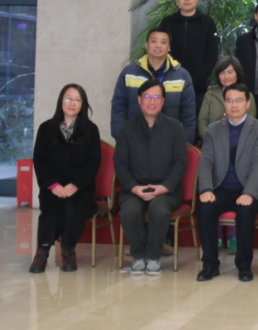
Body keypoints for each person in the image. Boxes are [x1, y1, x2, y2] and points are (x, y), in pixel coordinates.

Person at [195, 84, 258, 282]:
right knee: (205, 208)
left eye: (239, 100)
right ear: (224, 104)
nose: (234, 105)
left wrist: (249, 193)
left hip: (248, 189)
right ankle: (210, 264)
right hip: (221, 188)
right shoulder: (213, 129)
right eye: (229, 100)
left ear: (247, 103)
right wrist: (206, 188)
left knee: (245, 212)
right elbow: (205, 162)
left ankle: (244, 266)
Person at [115, 81, 188, 276]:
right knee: (129, 210)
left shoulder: (175, 127)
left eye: (157, 97)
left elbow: (180, 163)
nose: (152, 101)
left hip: (165, 190)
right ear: (139, 100)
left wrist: (164, 187)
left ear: (163, 101)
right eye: (147, 97)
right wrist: (133, 187)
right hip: (135, 189)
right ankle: (139, 256)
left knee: (159, 209)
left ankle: (154, 256)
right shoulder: (127, 128)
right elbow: (120, 164)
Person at [29, 84, 102, 274]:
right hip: (52, 188)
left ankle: (68, 251)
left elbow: (93, 163)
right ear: (61, 101)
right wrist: (53, 185)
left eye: (77, 100)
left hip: (80, 189)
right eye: (68, 98)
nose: (72, 103)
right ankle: (42, 252)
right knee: (51, 211)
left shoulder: (91, 130)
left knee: (71, 210)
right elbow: (40, 161)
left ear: (83, 104)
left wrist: (75, 185)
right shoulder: (46, 128)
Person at [111, 26, 195, 142]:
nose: (158, 45)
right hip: (134, 139)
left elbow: (188, 114)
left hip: (170, 140)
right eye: (154, 41)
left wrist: (183, 142)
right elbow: (118, 107)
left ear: (169, 47)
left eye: (163, 42)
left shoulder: (182, 76)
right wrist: (120, 136)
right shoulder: (129, 73)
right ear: (146, 45)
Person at [160, 0, 219, 118]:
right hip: (169, 84)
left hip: (197, 86)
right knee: (169, 122)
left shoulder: (207, 22)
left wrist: (201, 75)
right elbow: (160, 50)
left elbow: (212, 53)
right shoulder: (167, 22)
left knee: (193, 123)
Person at [198, 56, 257, 139]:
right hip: (212, 142)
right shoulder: (210, 94)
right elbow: (202, 122)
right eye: (222, 73)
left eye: (230, 72)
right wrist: (211, 140)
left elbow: (249, 125)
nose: (226, 77)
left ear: (237, 73)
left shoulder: (247, 95)